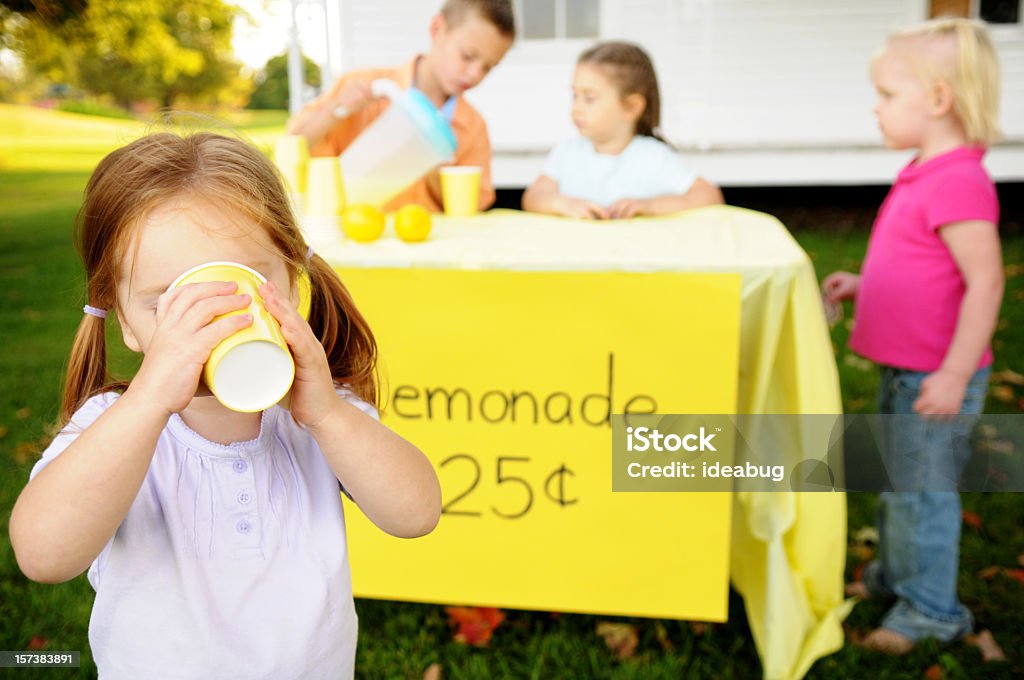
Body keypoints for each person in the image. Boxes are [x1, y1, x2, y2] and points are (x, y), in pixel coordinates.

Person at [8, 132, 442, 678]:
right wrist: (146, 403)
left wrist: (328, 413)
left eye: (243, 287)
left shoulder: (320, 417)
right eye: (171, 302)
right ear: (126, 323)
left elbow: (417, 514)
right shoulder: (113, 429)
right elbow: (44, 557)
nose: (211, 323)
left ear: (291, 288)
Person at [823, 18, 1003, 654]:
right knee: (900, 483)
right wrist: (864, 284)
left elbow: (984, 284)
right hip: (909, 371)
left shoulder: (958, 180)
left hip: (935, 377)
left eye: (887, 94)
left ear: (937, 100)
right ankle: (894, 578)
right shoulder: (926, 172)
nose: (876, 106)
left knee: (923, 495)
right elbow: (922, 271)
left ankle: (931, 611)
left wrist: (954, 374)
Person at [286, 0, 515, 213]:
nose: (475, 74)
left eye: (488, 67)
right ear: (437, 29)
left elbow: (475, 205)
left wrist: (433, 157)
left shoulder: (473, 126)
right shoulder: (365, 88)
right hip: (355, 235)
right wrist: (335, 109)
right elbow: (294, 146)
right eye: (467, 56)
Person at [522, 41, 722, 219]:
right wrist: (562, 204)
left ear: (632, 107)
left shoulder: (654, 157)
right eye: (575, 95)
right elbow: (532, 197)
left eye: (589, 98)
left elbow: (710, 196)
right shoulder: (567, 152)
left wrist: (649, 206)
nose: (576, 107)